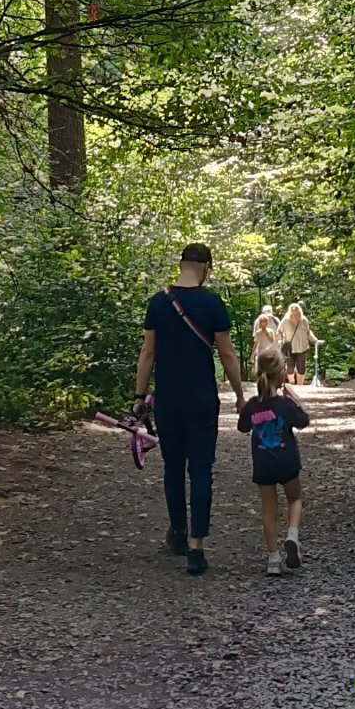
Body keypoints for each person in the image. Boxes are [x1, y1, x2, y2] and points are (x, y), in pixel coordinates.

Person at [134, 243, 245, 575]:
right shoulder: (212, 303)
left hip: (169, 398)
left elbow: (148, 353)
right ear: (207, 267)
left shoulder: (158, 303)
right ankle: (197, 549)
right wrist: (240, 396)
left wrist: (139, 395)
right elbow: (227, 354)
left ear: (181, 263)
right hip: (202, 399)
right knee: (200, 470)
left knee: (173, 468)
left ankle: (178, 533)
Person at [237, 347, 309, 575]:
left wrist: (243, 409)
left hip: (263, 464)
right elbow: (303, 421)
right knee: (295, 498)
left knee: (269, 510)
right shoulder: (285, 404)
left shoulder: (252, 406)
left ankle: (273, 559)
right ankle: (292, 535)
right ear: (281, 374)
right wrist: (295, 400)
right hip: (287, 461)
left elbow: (242, 427)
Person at [276, 302, 318, 385]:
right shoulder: (286, 320)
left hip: (302, 347)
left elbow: (308, 332)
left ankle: (300, 385)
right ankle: (291, 383)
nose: (295, 315)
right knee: (290, 367)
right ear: (290, 312)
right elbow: (279, 331)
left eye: (297, 313)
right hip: (290, 348)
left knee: (301, 367)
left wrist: (314, 340)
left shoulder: (304, 320)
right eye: (293, 313)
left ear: (299, 312)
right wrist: (281, 340)